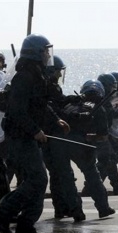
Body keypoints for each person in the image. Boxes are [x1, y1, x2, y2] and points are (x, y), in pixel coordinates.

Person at [0, 34, 70, 233]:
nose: (47, 55)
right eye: (45, 51)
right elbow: (17, 110)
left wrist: (55, 121)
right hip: (19, 137)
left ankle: (26, 228)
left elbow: (40, 105)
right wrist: (35, 130)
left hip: (27, 137)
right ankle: (3, 214)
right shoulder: (25, 76)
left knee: (35, 181)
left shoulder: (37, 74)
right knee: (38, 179)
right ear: (36, 52)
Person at [40, 55, 86, 221]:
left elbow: (57, 102)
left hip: (48, 137)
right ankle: (75, 209)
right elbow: (53, 108)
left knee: (56, 175)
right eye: (58, 71)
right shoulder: (46, 88)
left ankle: (61, 208)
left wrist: (70, 99)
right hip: (53, 137)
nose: (60, 75)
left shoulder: (47, 87)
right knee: (65, 174)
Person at [62, 79, 116, 217]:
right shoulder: (99, 109)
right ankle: (103, 208)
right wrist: (90, 137)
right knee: (92, 176)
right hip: (83, 146)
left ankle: (76, 211)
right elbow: (103, 136)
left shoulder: (70, 105)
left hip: (62, 143)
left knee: (67, 178)